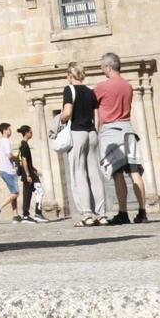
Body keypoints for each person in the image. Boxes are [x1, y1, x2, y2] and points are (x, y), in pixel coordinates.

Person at [94, 53, 148, 225]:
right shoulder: (128, 86)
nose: (102, 70)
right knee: (135, 172)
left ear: (109, 67)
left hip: (112, 131)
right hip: (128, 129)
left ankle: (123, 212)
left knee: (117, 174)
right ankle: (142, 211)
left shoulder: (102, 86)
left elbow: (93, 106)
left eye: (103, 67)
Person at [57, 61, 103, 225]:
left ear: (70, 75)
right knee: (94, 173)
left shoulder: (69, 90)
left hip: (77, 132)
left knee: (79, 173)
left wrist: (60, 119)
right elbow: (98, 118)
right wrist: (95, 132)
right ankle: (102, 214)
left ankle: (87, 215)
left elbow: (68, 112)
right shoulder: (91, 92)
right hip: (92, 133)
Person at [14, 125, 43, 222]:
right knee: (37, 192)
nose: (32, 133)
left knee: (30, 193)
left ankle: (30, 215)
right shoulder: (24, 145)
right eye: (31, 131)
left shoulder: (23, 144)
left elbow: (27, 161)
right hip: (28, 174)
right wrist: (28, 175)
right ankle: (31, 215)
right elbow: (24, 160)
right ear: (26, 133)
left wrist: (35, 170)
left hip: (30, 173)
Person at [0, 122, 19, 222]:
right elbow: (9, 155)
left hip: (2, 169)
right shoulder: (6, 141)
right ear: (5, 130)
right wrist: (17, 158)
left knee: (13, 193)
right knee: (15, 193)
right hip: (8, 170)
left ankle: (15, 215)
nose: (10, 131)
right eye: (9, 129)